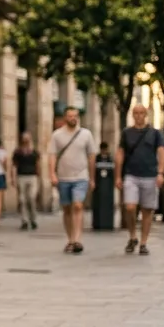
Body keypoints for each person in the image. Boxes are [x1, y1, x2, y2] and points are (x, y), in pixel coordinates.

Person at [115, 105, 164, 256]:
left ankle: (143, 242)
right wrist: (118, 175)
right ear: (132, 115)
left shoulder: (156, 133)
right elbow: (120, 153)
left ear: (146, 115)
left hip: (150, 175)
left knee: (147, 210)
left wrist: (161, 173)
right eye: (136, 113)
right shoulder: (127, 133)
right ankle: (132, 236)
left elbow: (162, 152)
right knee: (130, 207)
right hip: (131, 175)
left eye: (141, 113)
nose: (138, 116)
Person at [49, 106, 98, 255]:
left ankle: (77, 239)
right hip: (63, 177)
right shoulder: (57, 135)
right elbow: (52, 155)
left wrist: (92, 177)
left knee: (77, 206)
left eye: (75, 115)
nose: (73, 118)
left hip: (81, 177)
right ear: (65, 118)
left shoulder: (86, 134)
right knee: (66, 209)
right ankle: (70, 239)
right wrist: (52, 174)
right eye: (70, 116)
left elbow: (91, 157)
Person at [10, 132, 41, 230]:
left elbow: (38, 164)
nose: (26, 140)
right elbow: (14, 166)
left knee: (31, 198)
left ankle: (33, 219)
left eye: (27, 138)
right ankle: (24, 221)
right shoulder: (18, 152)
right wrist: (13, 178)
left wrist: (39, 177)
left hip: (33, 177)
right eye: (24, 138)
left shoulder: (34, 152)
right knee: (22, 199)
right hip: (21, 176)